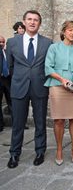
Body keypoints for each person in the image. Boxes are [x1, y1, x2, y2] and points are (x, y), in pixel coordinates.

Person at [6, 10, 52, 168]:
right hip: (19, 87)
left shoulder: (47, 43)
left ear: (40, 23)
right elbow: (10, 66)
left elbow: (49, 66)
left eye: (36, 20)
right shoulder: (12, 42)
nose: (33, 22)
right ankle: (14, 154)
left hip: (39, 87)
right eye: (30, 19)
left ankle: (40, 151)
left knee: (40, 122)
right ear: (24, 22)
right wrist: (19, 79)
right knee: (18, 123)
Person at [44, 20, 73, 165]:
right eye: (70, 30)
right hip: (57, 86)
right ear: (64, 32)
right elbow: (48, 67)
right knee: (59, 119)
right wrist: (62, 80)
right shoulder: (54, 48)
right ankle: (59, 149)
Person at [0, 35, 12, 132]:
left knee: (12, 102)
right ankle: (0, 125)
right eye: (0, 42)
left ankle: (17, 123)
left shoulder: (7, 52)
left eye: (3, 42)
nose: (1, 44)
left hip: (8, 80)